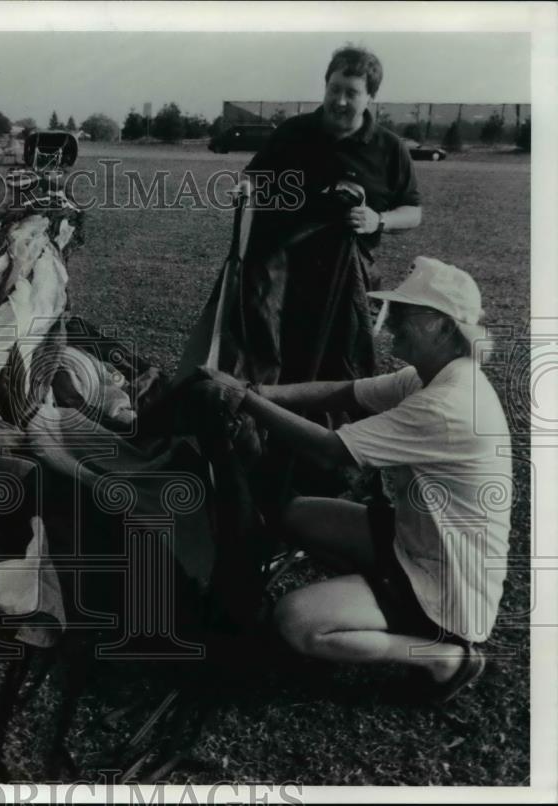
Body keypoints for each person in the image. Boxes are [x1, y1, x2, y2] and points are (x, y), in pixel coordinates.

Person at [199, 257, 511, 701]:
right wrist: (260, 393)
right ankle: (376, 593)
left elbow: (331, 447)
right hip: (418, 541)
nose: (392, 324)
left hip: (446, 585)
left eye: (407, 315)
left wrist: (241, 401)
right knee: (298, 514)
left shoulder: (447, 404)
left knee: (297, 621)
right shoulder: (432, 377)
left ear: (443, 328)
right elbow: (346, 391)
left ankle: (442, 656)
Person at [239, 45, 423, 386]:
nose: (339, 101)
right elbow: (253, 178)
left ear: (370, 97)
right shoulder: (293, 132)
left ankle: (328, 431)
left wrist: (379, 219)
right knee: (270, 358)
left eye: (351, 93)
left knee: (338, 368)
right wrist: (246, 192)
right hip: (282, 273)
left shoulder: (389, 148)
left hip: (347, 279)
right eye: (334, 90)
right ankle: (264, 426)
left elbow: (413, 212)